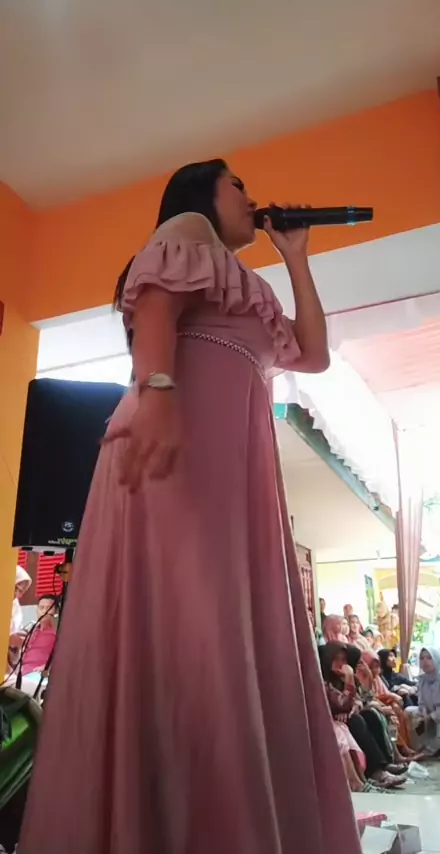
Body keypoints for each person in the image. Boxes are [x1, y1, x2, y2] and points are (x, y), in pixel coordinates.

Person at [19, 160, 361, 854]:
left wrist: (296, 257)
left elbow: (314, 354)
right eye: (238, 185)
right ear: (201, 194)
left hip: (226, 473)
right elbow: (154, 305)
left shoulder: (244, 284)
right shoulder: (185, 234)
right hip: (175, 452)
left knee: (220, 633)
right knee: (191, 628)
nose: (252, 196)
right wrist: (159, 394)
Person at [319, 643, 406, 790]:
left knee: (374, 715)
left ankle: (385, 763)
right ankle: (375, 772)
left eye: (343, 660)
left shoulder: (343, 677)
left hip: (348, 715)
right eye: (336, 659)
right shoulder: (325, 680)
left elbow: (358, 700)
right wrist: (350, 682)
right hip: (332, 719)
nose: (341, 663)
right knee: (360, 719)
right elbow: (342, 703)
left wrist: (355, 706)